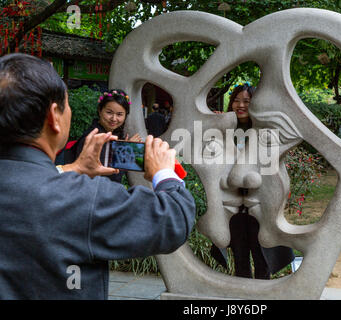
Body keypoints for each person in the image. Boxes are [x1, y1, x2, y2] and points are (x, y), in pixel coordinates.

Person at [0, 53, 196, 299]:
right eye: (67, 104)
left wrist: (73, 169)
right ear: (54, 116)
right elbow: (174, 219)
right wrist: (164, 173)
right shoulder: (82, 198)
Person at [211, 82, 295, 279]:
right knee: (239, 258)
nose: (240, 105)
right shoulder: (223, 132)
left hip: (259, 205)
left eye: (246, 101)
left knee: (262, 257)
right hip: (233, 206)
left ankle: (261, 296)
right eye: (236, 101)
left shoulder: (264, 132)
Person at [73, 89, 142, 183]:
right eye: (109, 112)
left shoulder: (115, 134)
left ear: (126, 115)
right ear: (100, 110)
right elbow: (112, 177)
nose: (114, 119)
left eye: (119, 114)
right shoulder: (93, 137)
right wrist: (129, 148)